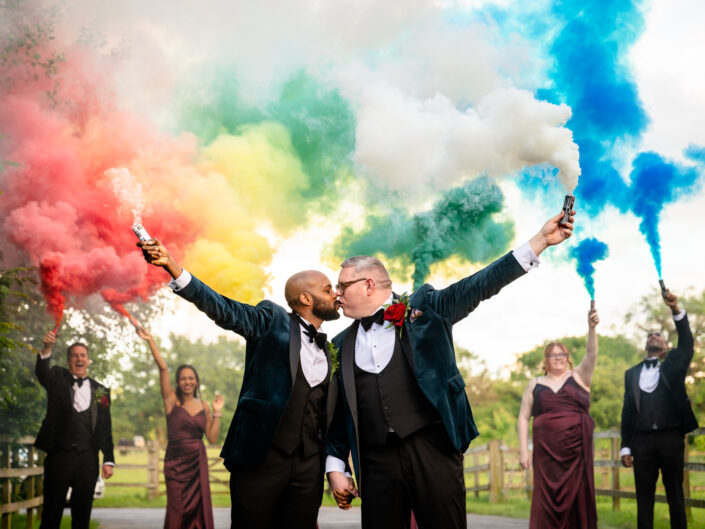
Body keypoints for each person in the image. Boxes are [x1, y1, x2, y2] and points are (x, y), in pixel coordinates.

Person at [325, 210, 575, 529]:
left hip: (434, 448)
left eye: (342, 286)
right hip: (375, 463)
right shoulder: (339, 345)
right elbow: (338, 415)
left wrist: (539, 241)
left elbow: (480, 284)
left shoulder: (426, 308)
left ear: (368, 284)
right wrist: (335, 467)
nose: (337, 294)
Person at [137, 238, 345, 529]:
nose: (335, 294)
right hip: (260, 458)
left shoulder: (331, 348)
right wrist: (174, 268)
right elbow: (224, 309)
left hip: (308, 466)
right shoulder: (271, 320)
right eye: (327, 289)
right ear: (306, 299)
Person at [620, 290, 698, 529]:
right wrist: (626, 445)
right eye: (650, 335)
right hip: (641, 442)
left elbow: (686, 342)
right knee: (644, 496)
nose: (653, 335)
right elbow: (627, 412)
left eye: (658, 335)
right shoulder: (631, 373)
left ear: (664, 345)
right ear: (646, 344)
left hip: (670, 437)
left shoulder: (674, 362)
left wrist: (675, 310)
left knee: (675, 492)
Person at [517, 307, 600, 529]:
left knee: (578, 500)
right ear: (546, 360)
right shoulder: (535, 384)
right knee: (546, 501)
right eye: (553, 355)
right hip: (546, 456)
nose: (558, 358)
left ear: (568, 358)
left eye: (562, 354)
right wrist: (524, 450)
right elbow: (524, 417)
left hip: (576, 453)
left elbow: (591, 355)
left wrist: (591, 328)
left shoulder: (580, 376)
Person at [135, 326, 223, 529]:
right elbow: (163, 368)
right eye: (183, 378)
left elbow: (211, 438)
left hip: (197, 462)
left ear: (196, 382)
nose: (187, 381)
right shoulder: (170, 401)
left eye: (191, 378)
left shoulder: (204, 406)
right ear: (178, 381)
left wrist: (217, 412)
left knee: (198, 510)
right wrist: (150, 341)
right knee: (177, 509)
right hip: (175, 465)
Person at [34, 331, 115, 529]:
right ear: (69, 360)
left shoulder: (101, 391)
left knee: (82, 515)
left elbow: (105, 428)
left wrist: (108, 459)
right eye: (74, 355)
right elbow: (42, 372)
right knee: (51, 513)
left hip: (87, 460)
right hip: (59, 457)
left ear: (88, 361)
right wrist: (47, 348)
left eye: (82, 355)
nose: (79, 359)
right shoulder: (57, 379)